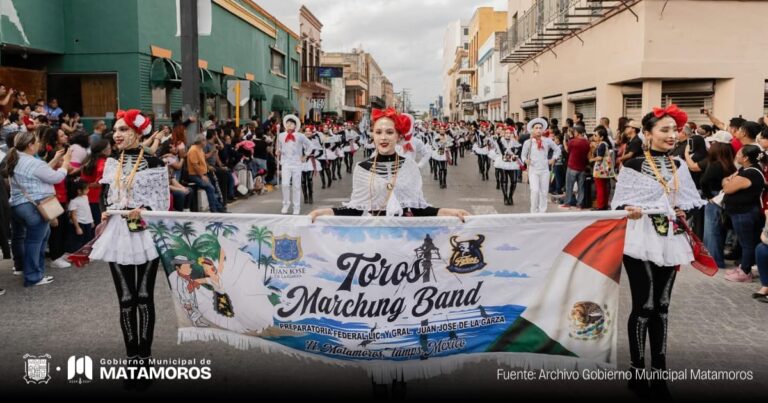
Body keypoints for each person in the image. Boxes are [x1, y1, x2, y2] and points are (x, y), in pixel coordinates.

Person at [611, 105, 706, 398]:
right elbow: (618, 205)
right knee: (645, 305)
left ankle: (660, 372)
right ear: (648, 134)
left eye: (673, 130)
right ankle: (637, 371)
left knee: (662, 306)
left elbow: (688, 202)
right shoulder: (633, 165)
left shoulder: (678, 166)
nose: (671, 135)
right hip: (639, 238)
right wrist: (631, 210)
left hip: (669, 238)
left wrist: (680, 211)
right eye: (664, 130)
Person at [89, 109, 170, 366]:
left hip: (144, 232)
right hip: (118, 231)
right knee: (126, 299)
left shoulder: (155, 162)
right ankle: (132, 360)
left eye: (123, 130)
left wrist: (144, 209)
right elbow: (106, 193)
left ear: (137, 132)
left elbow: (162, 201)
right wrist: (105, 210)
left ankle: (144, 360)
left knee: (144, 297)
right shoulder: (112, 161)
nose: (117, 135)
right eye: (115, 130)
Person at [309, 107, 469, 221]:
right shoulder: (361, 169)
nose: (383, 137)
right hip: (374, 239)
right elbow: (355, 209)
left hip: (404, 241)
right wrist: (326, 212)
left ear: (399, 136)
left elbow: (417, 208)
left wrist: (449, 212)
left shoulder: (410, 167)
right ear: (373, 136)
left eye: (389, 132)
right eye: (378, 132)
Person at [3, 131, 71, 286]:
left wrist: (54, 160)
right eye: (37, 142)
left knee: (21, 238)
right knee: (35, 242)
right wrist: (65, 163)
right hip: (35, 206)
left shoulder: (15, 158)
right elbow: (55, 177)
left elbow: (38, 174)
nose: (39, 144)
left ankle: (21, 267)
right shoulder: (33, 162)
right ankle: (34, 276)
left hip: (17, 205)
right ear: (30, 145)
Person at [690, 131, 736, 269]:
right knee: (719, 230)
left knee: (712, 230)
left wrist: (709, 196)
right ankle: (716, 259)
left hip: (715, 197)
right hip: (723, 197)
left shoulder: (715, 164)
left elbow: (704, 181)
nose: (710, 146)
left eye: (712, 143)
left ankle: (714, 260)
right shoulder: (730, 163)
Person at [722, 145, 766, 282]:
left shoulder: (750, 173)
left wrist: (727, 181)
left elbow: (728, 187)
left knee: (747, 243)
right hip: (741, 211)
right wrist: (728, 180)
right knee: (744, 242)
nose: (737, 155)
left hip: (744, 212)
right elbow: (727, 180)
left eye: (739, 153)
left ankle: (745, 271)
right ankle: (743, 266)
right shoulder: (745, 169)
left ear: (746, 157)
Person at [521, 118, 561, 213]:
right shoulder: (528, 142)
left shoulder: (547, 141)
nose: (538, 130)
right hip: (533, 170)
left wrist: (554, 158)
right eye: (536, 128)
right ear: (532, 129)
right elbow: (522, 155)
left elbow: (557, 150)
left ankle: (542, 212)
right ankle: (533, 211)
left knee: (544, 192)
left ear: (543, 130)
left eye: (540, 128)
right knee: (535, 191)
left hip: (545, 170)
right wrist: (526, 160)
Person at [276, 114, 312, 215]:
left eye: (291, 123)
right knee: (285, 184)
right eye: (287, 123)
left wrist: (306, 155)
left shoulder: (300, 136)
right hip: (285, 163)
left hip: (297, 163)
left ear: (295, 126)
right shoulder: (281, 135)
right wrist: (278, 151)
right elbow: (279, 148)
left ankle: (296, 206)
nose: (289, 125)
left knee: (296, 186)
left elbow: (310, 145)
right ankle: (286, 204)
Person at [560, 126, 590, 209]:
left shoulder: (573, 141)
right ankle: (579, 204)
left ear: (577, 132)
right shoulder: (587, 142)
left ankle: (567, 203)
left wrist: (564, 143)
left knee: (569, 186)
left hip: (572, 166)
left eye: (575, 132)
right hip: (582, 167)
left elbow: (568, 150)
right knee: (581, 187)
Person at [589, 125, 615, 210]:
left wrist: (592, 159)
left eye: (596, 135)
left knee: (600, 188)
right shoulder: (605, 144)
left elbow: (600, 157)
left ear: (601, 137)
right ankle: (604, 205)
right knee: (604, 188)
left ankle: (600, 206)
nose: (594, 137)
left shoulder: (602, 145)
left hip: (600, 170)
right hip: (606, 170)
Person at [68, 181, 94, 253]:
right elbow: (73, 215)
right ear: (79, 191)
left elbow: (88, 210)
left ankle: (84, 255)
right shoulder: (74, 201)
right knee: (78, 241)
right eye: (86, 189)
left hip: (88, 222)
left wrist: (91, 221)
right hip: (80, 223)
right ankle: (76, 255)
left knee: (87, 239)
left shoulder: (85, 197)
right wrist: (77, 227)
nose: (88, 190)